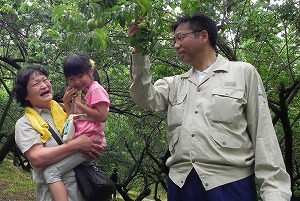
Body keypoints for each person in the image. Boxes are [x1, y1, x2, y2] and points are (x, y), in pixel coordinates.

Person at [128, 11, 292, 201]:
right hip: (181, 185)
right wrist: (138, 50)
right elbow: (144, 97)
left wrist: (275, 193)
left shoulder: (243, 73)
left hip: (230, 185)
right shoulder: (174, 84)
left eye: (181, 37)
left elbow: (263, 135)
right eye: (174, 40)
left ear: (204, 36)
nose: (176, 45)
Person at [14, 65, 103, 201]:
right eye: (36, 83)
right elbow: (37, 158)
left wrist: (91, 147)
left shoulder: (63, 109)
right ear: (25, 95)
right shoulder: (25, 123)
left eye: (45, 80)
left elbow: (90, 129)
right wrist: (77, 145)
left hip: (84, 190)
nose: (44, 85)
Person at [43, 53, 110, 201]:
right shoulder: (84, 92)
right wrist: (68, 103)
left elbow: (103, 115)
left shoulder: (96, 89)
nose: (77, 81)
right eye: (71, 78)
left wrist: (79, 104)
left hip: (89, 142)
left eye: (80, 76)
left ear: (91, 71)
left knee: (51, 173)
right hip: (82, 141)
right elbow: (74, 118)